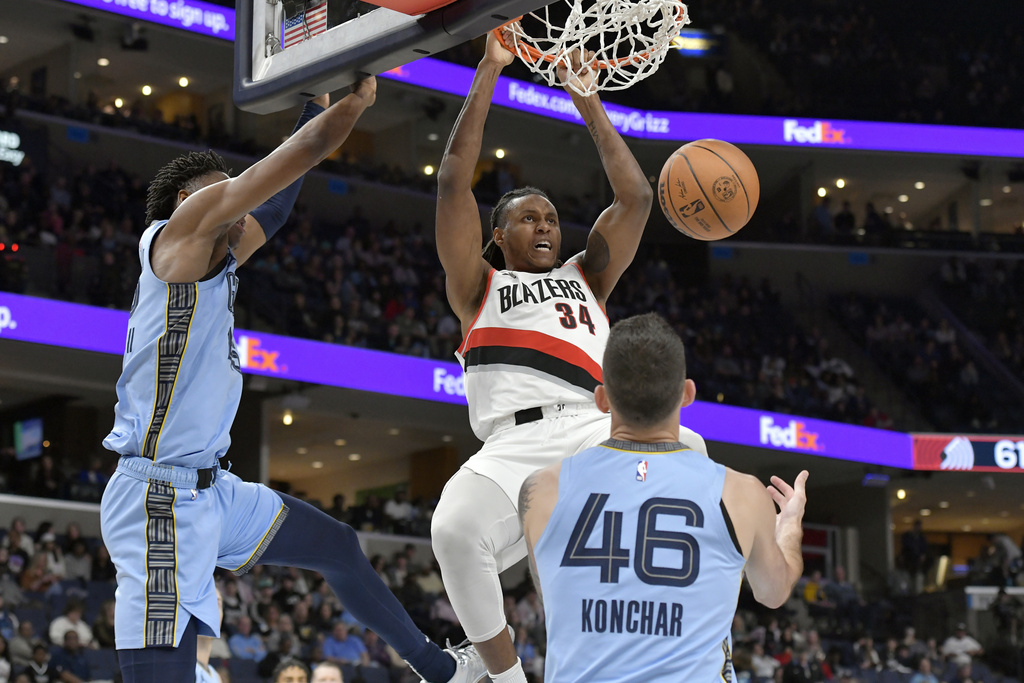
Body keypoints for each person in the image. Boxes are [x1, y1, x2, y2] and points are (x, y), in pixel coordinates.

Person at [98, 79, 484, 683]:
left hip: (209, 492)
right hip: (157, 501)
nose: (233, 205)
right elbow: (286, 166)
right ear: (183, 200)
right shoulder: (175, 242)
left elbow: (272, 209)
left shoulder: (216, 262)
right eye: (217, 192)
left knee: (336, 546)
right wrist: (348, 106)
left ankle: (440, 669)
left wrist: (316, 104)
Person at [430, 31, 708, 683]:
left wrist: (588, 98)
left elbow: (636, 199)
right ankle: (502, 676)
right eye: (530, 218)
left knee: (688, 449)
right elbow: (450, 183)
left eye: (553, 216)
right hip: (512, 444)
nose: (547, 225)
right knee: (452, 527)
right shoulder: (478, 286)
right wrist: (489, 70)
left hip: (593, 428)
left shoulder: (590, 276)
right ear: (499, 235)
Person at [518, 314, 807, 681]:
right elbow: (774, 591)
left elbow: (556, 598)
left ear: (602, 399)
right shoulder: (742, 493)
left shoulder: (541, 490)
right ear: (688, 394)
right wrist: (789, 528)